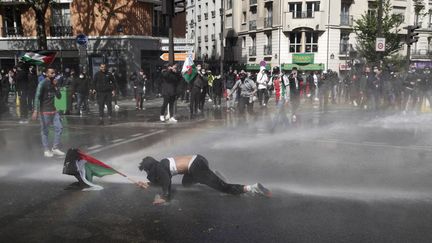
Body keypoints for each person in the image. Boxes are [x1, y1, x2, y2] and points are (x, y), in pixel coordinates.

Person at [137, 154, 271, 205]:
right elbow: (162, 178)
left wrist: (164, 197)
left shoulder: (160, 168)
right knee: (186, 183)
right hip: (197, 161)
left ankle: (252, 187)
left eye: (147, 170)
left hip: (196, 166)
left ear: (150, 167)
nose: (148, 173)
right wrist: (148, 183)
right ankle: (213, 177)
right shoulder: (162, 164)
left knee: (224, 188)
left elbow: (166, 181)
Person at [32, 67, 65, 158]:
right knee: (45, 131)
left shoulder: (53, 83)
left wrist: (55, 86)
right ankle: (46, 150)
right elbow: (37, 97)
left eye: (54, 73)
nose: (53, 75)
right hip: (44, 112)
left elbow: (59, 96)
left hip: (54, 110)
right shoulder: (42, 84)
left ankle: (55, 148)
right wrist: (35, 110)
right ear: (47, 74)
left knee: (59, 128)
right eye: (51, 73)